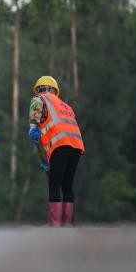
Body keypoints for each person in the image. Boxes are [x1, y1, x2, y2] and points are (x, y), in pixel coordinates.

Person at [28, 76, 84, 226]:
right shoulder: (66, 106)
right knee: (67, 185)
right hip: (77, 146)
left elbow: (36, 119)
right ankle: (68, 224)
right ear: (55, 91)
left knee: (54, 184)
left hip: (60, 145)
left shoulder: (39, 98)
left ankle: (54, 224)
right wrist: (47, 160)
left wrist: (33, 127)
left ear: (39, 89)